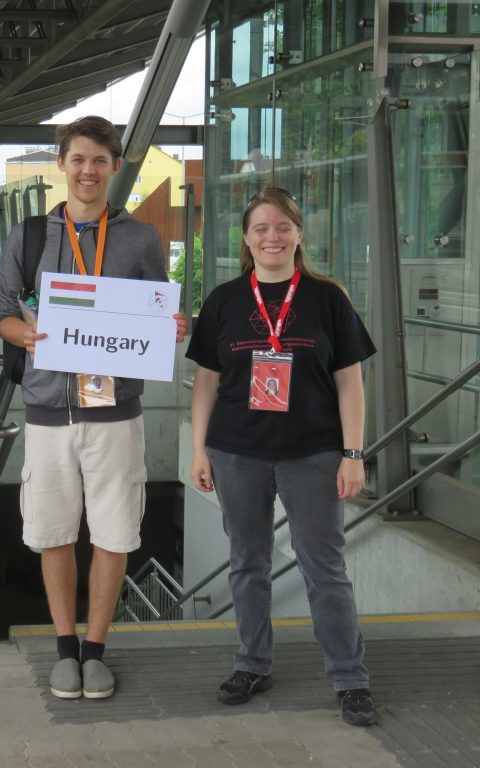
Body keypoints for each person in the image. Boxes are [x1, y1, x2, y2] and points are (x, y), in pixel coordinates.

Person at [0, 115, 187, 700]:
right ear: (61, 163)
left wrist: (169, 327)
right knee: (53, 532)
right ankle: (63, 647)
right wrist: (21, 335)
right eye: (78, 159)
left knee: (114, 533)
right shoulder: (28, 237)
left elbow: (157, 316)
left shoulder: (140, 239)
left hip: (116, 411)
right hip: (49, 410)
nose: (87, 170)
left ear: (114, 166)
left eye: (99, 161)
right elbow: (2, 310)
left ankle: (97, 648)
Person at [186, 187, 377, 726]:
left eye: (282, 226)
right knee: (248, 563)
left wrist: (353, 453)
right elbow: (205, 383)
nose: (272, 236)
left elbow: (351, 385)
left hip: (313, 454)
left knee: (325, 567)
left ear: (298, 233)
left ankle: (350, 677)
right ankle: (252, 663)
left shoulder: (327, 299)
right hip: (236, 453)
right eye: (261, 228)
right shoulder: (224, 301)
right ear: (246, 239)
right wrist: (199, 450)